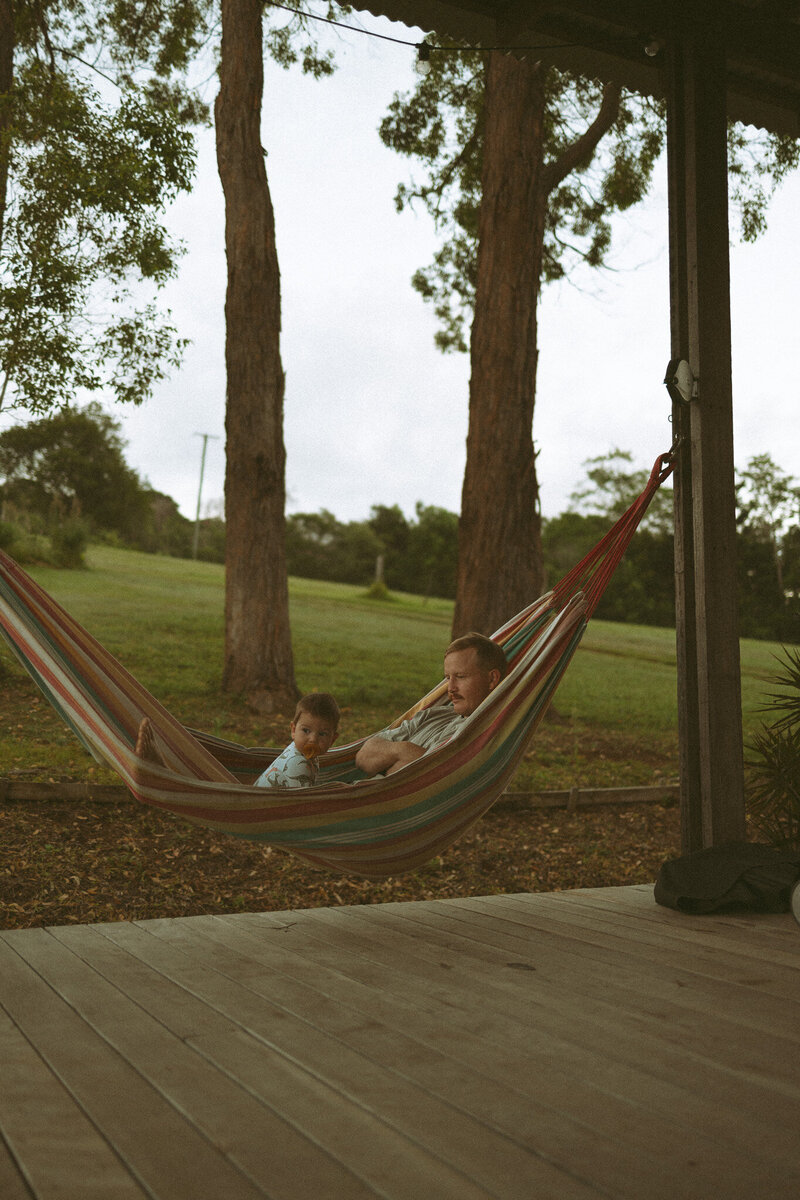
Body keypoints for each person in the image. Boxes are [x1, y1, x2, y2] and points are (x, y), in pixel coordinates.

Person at [355, 632, 507, 777]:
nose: (451, 688)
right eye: (448, 678)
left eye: (460, 676)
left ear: (492, 679)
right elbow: (364, 755)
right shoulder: (431, 715)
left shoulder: (487, 736)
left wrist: (390, 758)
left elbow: (412, 778)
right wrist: (403, 749)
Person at [254, 692, 340, 788]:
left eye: (322, 734)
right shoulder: (297, 763)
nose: (313, 740)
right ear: (293, 730)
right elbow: (302, 800)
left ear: (332, 740)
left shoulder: (304, 754)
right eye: (306, 730)